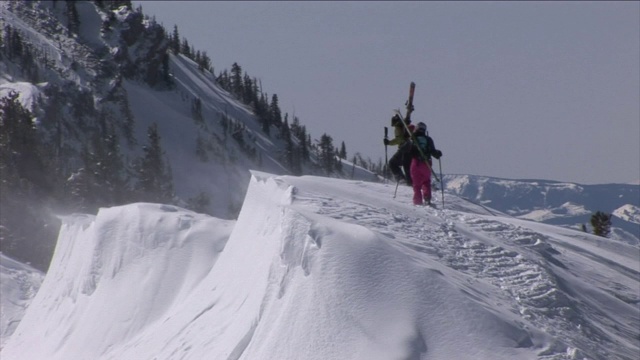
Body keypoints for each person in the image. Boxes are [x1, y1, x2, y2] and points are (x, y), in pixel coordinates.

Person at [409, 122, 442, 205]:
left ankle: (417, 202)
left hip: (416, 163)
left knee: (416, 185)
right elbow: (433, 152)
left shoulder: (413, 138)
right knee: (426, 181)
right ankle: (427, 198)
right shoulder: (428, 139)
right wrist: (438, 154)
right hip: (427, 163)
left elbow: (408, 150)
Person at [383, 114, 413, 185]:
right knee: (407, 165)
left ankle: (402, 180)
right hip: (410, 148)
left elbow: (399, 139)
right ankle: (409, 181)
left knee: (392, 163)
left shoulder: (399, 127)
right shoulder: (403, 126)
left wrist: (389, 142)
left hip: (404, 148)